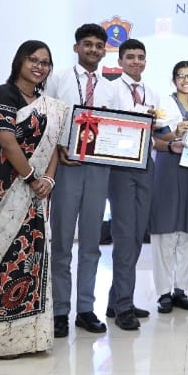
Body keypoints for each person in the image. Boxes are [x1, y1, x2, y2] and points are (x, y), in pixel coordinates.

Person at [0, 40, 68, 358]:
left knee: (31, 258)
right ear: (19, 62)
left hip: (35, 194)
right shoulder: (3, 94)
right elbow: (7, 141)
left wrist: (48, 179)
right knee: (1, 260)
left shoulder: (49, 105)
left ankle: (31, 338)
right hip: (1, 191)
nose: (40, 66)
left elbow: (53, 146)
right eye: (33, 60)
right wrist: (31, 178)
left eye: (45, 62)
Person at [45, 23, 115, 338]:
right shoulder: (58, 79)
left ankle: (86, 309)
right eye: (87, 44)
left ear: (104, 51)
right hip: (65, 166)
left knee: (91, 242)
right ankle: (60, 310)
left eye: (99, 46)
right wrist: (57, 148)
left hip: (98, 168)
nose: (93, 50)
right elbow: (46, 120)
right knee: (61, 241)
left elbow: (118, 127)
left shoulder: (110, 88)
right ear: (76, 48)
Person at [105, 38, 158, 329]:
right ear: (120, 62)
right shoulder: (111, 90)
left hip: (146, 164)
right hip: (121, 166)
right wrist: (138, 117)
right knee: (125, 236)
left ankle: (116, 299)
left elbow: (158, 131)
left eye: (141, 57)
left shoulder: (152, 92)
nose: (136, 61)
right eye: (131, 57)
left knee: (137, 236)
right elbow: (107, 123)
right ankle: (124, 306)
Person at [149, 60, 188, 314]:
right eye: (181, 75)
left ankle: (180, 290)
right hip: (167, 167)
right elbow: (155, 137)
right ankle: (163, 292)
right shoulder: (163, 104)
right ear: (174, 80)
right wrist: (174, 133)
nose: (186, 80)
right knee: (164, 231)